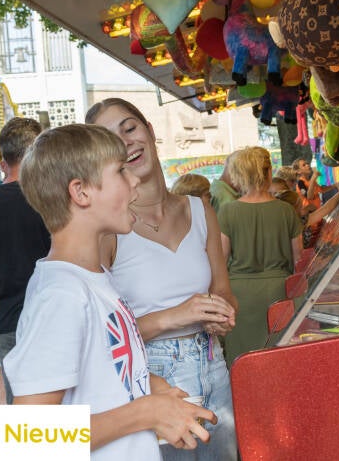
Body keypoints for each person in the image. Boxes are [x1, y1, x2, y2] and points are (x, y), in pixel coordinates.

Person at [3, 124, 216, 459]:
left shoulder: (97, 280)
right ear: (81, 192)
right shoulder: (62, 295)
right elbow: (30, 434)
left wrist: (152, 388)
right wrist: (145, 412)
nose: (134, 180)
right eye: (120, 171)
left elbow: (104, 370)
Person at [87, 98, 239, 461]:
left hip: (213, 366)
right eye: (113, 140)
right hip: (150, 381)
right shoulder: (109, 229)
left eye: (130, 128)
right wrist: (176, 315)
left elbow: (223, 290)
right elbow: (98, 337)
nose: (128, 142)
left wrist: (222, 311)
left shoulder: (200, 209)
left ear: (150, 131)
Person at [0, 117, 50, 404]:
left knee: (21, 408)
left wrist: (1, 306)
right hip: (51, 317)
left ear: (5, 158)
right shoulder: (50, 201)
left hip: (6, 322)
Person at [219, 147, 303, 364]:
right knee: (278, 361)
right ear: (268, 173)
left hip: (239, 298)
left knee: (243, 363)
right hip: (278, 294)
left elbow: (220, 260)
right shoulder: (286, 210)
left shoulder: (228, 211)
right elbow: (298, 260)